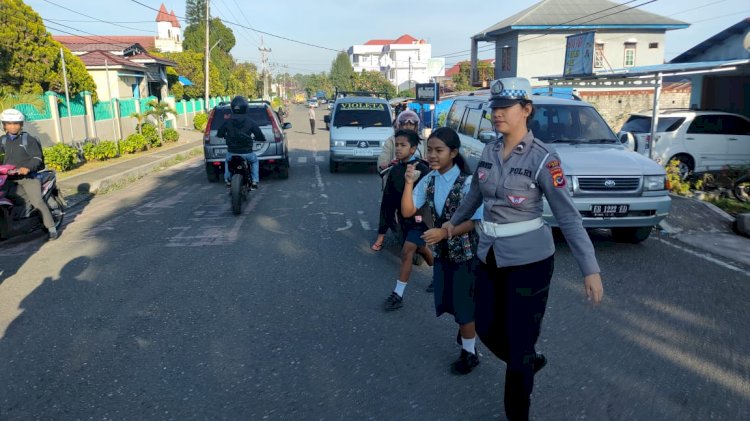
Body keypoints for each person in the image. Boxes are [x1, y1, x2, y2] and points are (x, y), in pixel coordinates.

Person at [442, 78, 604, 420]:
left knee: (517, 347)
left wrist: (590, 269)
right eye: (494, 108)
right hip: (488, 257)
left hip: (530, 263)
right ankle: (527, 359)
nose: (496, 114)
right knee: (483, 326)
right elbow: (473, 197)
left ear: (526, 110)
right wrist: (450, 225)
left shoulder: (544, 158)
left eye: (504, 108)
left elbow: (568, 217)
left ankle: (519, 403)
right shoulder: (487, 151)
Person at [401, 127, 484, 375]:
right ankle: (467, 334)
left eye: (439, 150)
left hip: (467, 254)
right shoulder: (430, 179)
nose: (433, 155)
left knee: (463, 306)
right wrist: (408, 183)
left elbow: (474, 220)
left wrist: (444, 232)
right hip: (444, 254)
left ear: (454, 152)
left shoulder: (468, 182)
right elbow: (407, 211)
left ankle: (470, 353)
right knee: (451, 302)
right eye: (430, 150)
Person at [381, 129, 434, 311]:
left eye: (403, 145)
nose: (398, 149)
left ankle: (397, 295)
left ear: (413, 149)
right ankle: (439, 274)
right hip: (404, 220)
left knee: (407, 251)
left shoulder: (423, 169)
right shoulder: (395, 169)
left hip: (422, 219)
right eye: (397, 145)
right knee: (420, 248)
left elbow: (431, 197)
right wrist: (388, 221)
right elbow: (388, 199)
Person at [0, 108, 57, 240]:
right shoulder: (3, 140)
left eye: (16, 123)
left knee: (37, 201)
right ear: (4, 125)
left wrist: (27, 168)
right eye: (9, 123)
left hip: (29, 178)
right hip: (9, 178)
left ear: (21, 125)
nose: (12, 126)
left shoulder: (28, 139)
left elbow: (37, 158)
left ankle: (51, 227)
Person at [217, 96, 265, 190]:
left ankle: (227, 180)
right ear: (245, 108)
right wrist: (260, 138)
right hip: (247, 153)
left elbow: (219, 133)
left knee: (227, 161)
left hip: (232, 153)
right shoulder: (251, 122)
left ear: (232, 108)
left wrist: (225, 136)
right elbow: (259, 135)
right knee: (255, 161)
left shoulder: (227, 122)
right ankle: (254, 181)